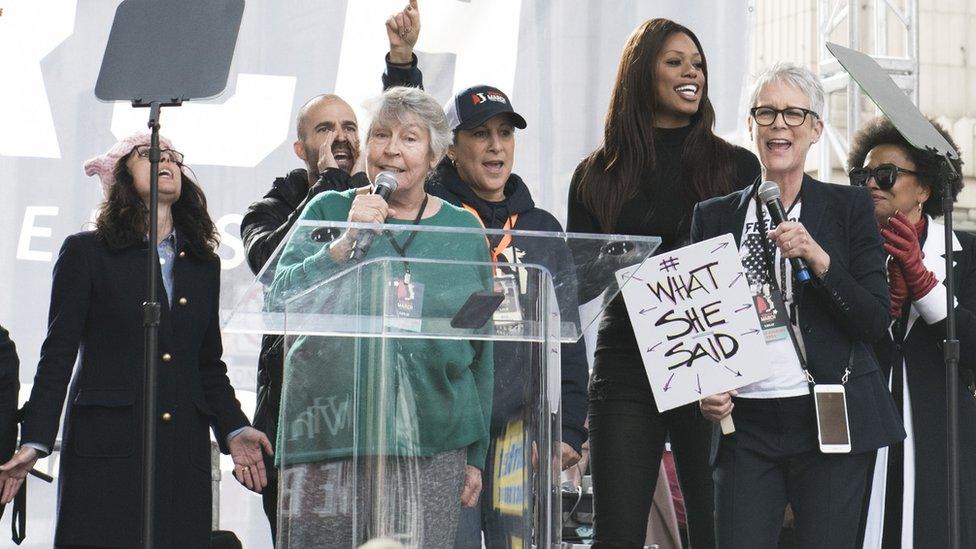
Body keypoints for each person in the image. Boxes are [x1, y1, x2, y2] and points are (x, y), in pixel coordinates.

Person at [0, 133, 273, 548]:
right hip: (105, 450)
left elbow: (207, 363)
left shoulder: (203, 263)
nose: (167, 162)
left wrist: (234, 427)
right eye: (150, 155)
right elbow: (57, 354)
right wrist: (35, 439)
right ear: (120, 177)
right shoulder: (86, 252)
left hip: (181, 451)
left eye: (173, 157)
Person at [269, 86, 494, 548]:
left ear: (435, 155)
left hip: (431, 443)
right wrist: (344, 245)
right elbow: (279, 298)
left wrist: (476, 454)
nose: (391, 149)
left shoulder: (464, 229)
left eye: (409, 138)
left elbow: (480, 348)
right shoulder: (328, 210)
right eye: (381, 135)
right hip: (329, 435)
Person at [693, 63, 905, 548]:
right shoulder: (713, 216)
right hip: (744, 425)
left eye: (793, 114)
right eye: (766, 113)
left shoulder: (849, 207)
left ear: (816, 128)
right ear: (750, 126)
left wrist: (819, 257)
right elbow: (697, 322)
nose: (778, 125)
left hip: (828, 416)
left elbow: (875, 319)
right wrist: (707, 388)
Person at [566, 18, 760, 548]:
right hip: (628, 357)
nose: (691, 72)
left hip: (711, 356)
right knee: (618, 531)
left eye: (697, 63)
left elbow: (754, 269)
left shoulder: (737, 166)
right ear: (641, 72)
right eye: (675, 61)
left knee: (715, 525)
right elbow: (578, 284)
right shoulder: (597, 174)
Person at [239, 1, 423, 538]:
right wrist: (324, 188)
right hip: (299, 416)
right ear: (301, 147)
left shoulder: (386, 198)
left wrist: (403, 61)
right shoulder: (271, 207)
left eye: (350, 127)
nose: (341, 138)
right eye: (326, 129)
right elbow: (272, 268)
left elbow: (411, 135)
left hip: (377, 413)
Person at [847, 116, 976, 548]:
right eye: (862, 175)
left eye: (885, 175)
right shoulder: (842, 254)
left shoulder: (968, 253)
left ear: (924, 188)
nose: (871, 185)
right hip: (865, 428)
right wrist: (886, 305)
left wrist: (922, 283)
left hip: (940, 433)